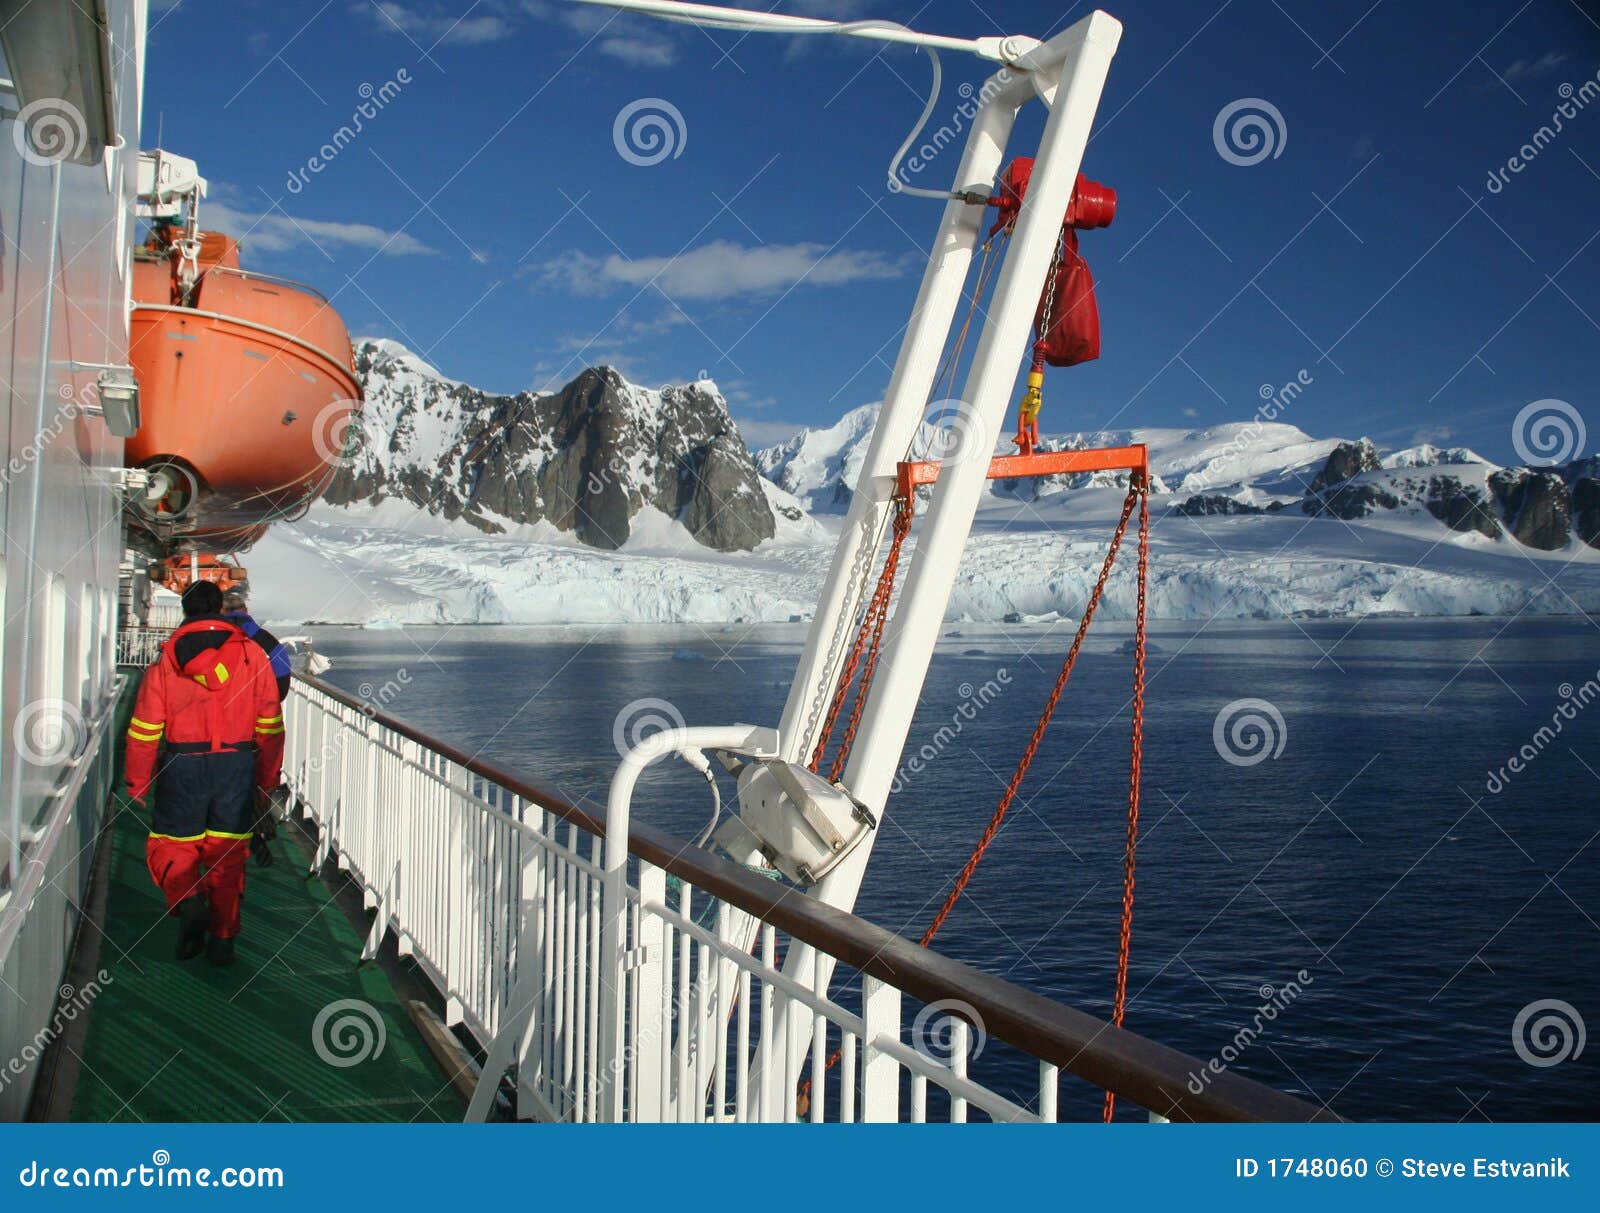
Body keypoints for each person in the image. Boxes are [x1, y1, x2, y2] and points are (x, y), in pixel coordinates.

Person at [124, 580, 285, 966]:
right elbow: (270, 726)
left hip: (183, 766)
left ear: (185, 610)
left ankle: (190, 901)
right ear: (221, 609)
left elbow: (145, 728)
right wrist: (266, 781)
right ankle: (223, 940)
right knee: (227, 856)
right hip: (236, 767)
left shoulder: (166, 659)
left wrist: (137, 782)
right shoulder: (252, 655)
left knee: (172, 847)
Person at [222, 589, 291, 701]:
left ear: (222, 611)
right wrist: (275, 697)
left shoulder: (214, 635)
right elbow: (281, 662)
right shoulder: (263, 636)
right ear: (246, 610)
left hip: (223, 700)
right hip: (257, 700)